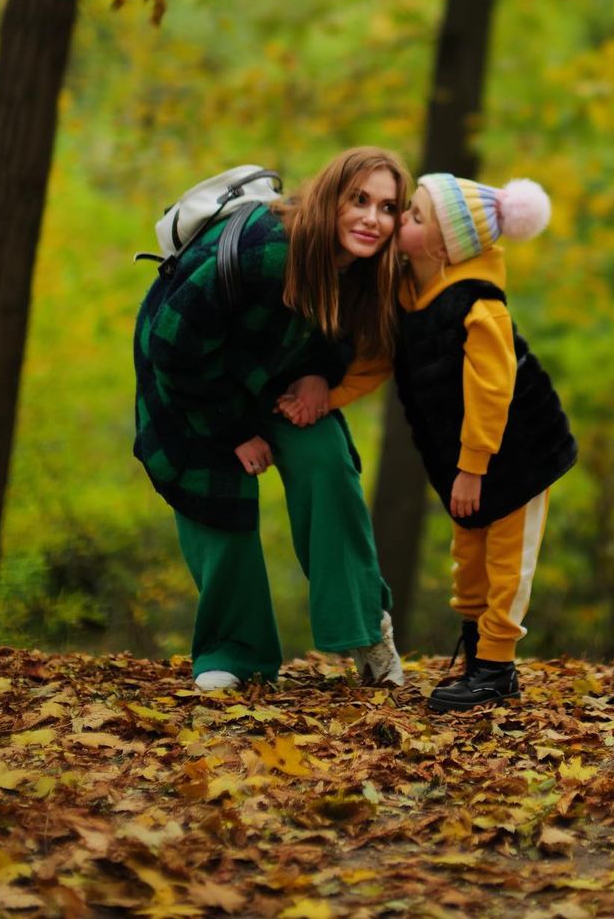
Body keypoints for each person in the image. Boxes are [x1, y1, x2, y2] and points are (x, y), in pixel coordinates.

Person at [281, 172, 576, 711]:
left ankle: (496, 668)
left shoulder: (479, 306)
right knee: (469, 558)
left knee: (508, 562)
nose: (399, 222)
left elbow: (493, 392)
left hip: (519, 454)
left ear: (443, 246)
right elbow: (378, 364)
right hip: (465, 459)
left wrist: (472, 467)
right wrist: (326, 397)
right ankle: (476, 653)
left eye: (414, 217)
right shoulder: (407, 294)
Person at [134, 147, 409, 692]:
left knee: (326, 460)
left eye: (387, 207)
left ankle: (364, 628)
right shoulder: (267, 250)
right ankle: (233, 653)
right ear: (330, 196)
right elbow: (174, 347)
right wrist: (235, 431)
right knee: (220, 495)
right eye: (359, 200)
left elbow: (341, 340)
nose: (371, 219)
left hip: (272, 373)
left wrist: (319, 378)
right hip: (191, 383)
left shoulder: (368, 267)